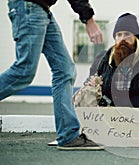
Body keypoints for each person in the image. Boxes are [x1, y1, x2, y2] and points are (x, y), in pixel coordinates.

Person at [0, 0, 104, 150]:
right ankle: (68, 134)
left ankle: (68, 135)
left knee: (65, 70)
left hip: (42, 8)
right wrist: (89, 19)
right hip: (29, 5)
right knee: (24, 71)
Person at [85, 13, 139, 145]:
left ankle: (136, 131)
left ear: (136, 38)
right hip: (111, 114)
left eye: (127, 34)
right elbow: (88, 88)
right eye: (119, 35)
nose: (122, 39)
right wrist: (91, 85)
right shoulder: (101, 60)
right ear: (115, 38)